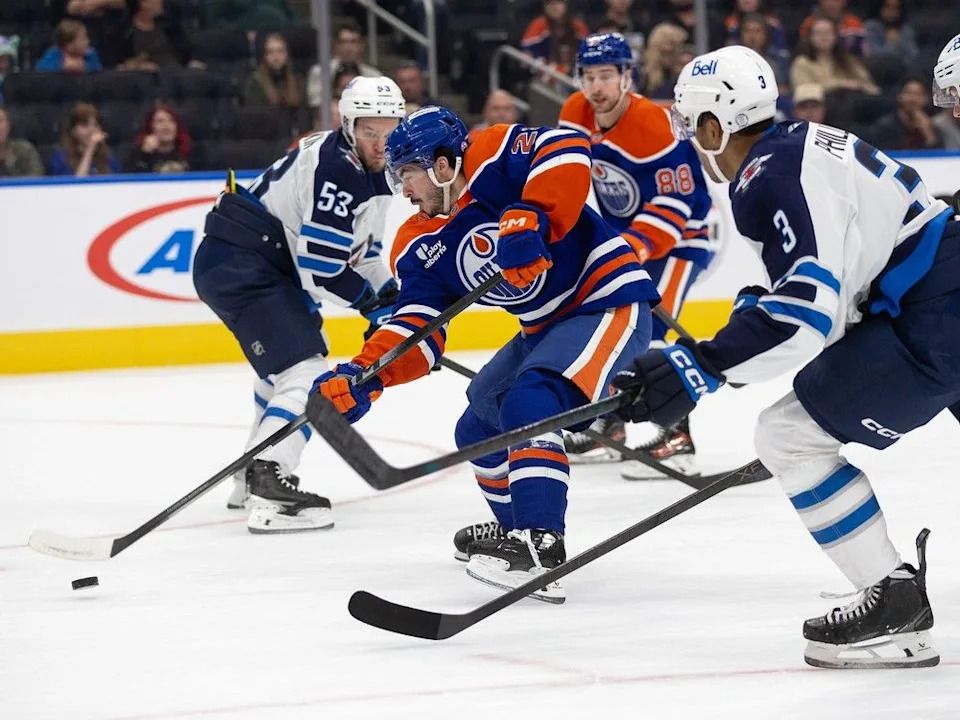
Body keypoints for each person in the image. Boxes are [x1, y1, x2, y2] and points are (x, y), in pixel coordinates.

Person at [614, 44, 955, 669]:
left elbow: (806, 313)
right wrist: (734, 338)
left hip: (935, 309)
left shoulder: (765, 174)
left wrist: (701, 366)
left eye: (693, 127)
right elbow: (823, 285)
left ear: (716, 125)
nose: (693, 141)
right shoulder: (802, 142)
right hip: (941, 284)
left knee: (789, 434)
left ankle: (892, 603)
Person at [313, 106, 659, 602]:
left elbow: (567, 148)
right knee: (477, 427)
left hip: (606, 301)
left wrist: (535, 215)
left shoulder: (492, 155)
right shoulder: (417, 242)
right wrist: (368, 373)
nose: (403, 191)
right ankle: (516, 531)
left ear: (441, 165)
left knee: (529, 402)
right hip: (542, 327)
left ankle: (542, 546)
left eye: (407, 174)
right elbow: (417, 326)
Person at [192, 77, 406, 534]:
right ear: (348, 125)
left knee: (287, 371)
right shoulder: (339, 168)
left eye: (390, 128)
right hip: (247, 263)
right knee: (306, 374)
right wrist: (374, 306)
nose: (382, 142)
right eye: (371, 130)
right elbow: (323, 267)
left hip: (252, 261)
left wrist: (397, 307)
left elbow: (363, 256)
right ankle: (269, 474)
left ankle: (251, 474)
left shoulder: (379, 172)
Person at [557, 33, 712, 473]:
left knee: (652, 334)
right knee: (608, 332)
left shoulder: (653, 124)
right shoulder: (575, 112)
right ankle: (609, 428)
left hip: (681, 240)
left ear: (627, 76)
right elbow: (565, 175)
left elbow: (676, 203)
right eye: (588, 76)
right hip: (627, 241)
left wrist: (635, 245)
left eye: (606, 75)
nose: (596, 87)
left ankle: (678, 439)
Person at [790, 17, 878, 96]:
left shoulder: (848, 60)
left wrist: (860, 87)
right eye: (818, 33)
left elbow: (870, 86)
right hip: (822, 104)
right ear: (810, 38)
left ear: (836, 37)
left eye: (828, 32)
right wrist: (840, 84)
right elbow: (803, 91)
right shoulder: (802, 63)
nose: (824, 37)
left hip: (853, 101)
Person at [306, 19, 380, 110]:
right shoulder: (319, 71)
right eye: (343, 42)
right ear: (336, 45)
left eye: (353, 42)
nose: (348, 48)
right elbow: (315, 103)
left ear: (361, 46)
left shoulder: (374, 76)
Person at [868, 78, 943, 151]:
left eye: (918, 94)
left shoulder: (934, 127)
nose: (912, 99)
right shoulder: (885, 127)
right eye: (908, 93)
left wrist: (929, 134)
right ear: (900, 96)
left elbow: (941, 159)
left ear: (926, 99)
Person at [49, 102, 121, 177]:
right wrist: (90, 149)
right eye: (85, 125)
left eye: (95, 125)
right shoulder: (61, 158)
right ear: (73, 130)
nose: (91, 130)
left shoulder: (108, 157)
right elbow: (76, 186)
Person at [243, 32, 304, 109]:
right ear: (264, 56)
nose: (276, 57)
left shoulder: (297, 81)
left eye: (280, 51)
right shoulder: (255, 83)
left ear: (287, 55)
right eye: (270, 52)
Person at [127, 104, 193, 173]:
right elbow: (129, 180)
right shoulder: (136, 154)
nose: (166, 126)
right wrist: (144, 154)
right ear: (151, 127)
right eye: (160, 121)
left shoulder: (192, 152)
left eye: (171, 121)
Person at [799, 0, 868, 57]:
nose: (831, 3)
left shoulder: (854, 23)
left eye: (836, 0)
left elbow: (863, 52)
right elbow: (804, 52)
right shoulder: (810, 23)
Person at [34, 18, 103, 72]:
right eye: (82, 39)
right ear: (68, 45)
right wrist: (62, 67)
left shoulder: (91, 54)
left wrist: (84, 67)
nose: (87, 42)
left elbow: (99, 75)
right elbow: (40, 72)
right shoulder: (53, 54)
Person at [641, 23, 687, 100]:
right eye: (670, 43)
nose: (671, 49)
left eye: (675, 45)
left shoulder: (676, 69)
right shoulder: (644, 72)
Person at [864, 0, 918, 65]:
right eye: (887, 7)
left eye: (895, 9)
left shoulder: (905, 29)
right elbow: (875, 55)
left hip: (902, 69)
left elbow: (913, 54)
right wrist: (891, 43)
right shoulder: (870, 27)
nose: (891, 13)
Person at [0, 107, 44, 178]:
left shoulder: (25, 150)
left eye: (0, 121)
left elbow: (37, 178)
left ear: (8, 125)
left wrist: (11, 166)